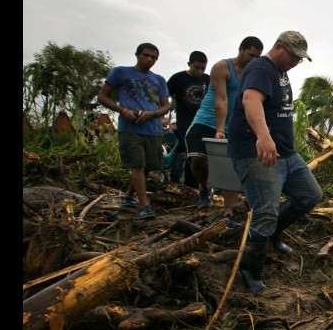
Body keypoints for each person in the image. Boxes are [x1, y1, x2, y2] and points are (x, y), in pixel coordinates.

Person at [228, 31, 322, 296]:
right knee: (265, 212)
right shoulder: (261, 67)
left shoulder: (281, 71)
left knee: (309, 195)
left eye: (300, 59)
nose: (296, 62)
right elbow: (250, 100)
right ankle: (251, 271)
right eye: (293, 56)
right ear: (279, 47)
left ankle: (271, 235)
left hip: (286, 153)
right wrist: (263, 136)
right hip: (256, 152)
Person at [187, 37, 264, 228]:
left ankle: (228, 211)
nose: (253, 60)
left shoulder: (253, 73)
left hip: (234, 125)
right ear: (241, 49)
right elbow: (221, 100)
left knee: (231, 167)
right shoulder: (222, 67)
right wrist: (220, 130)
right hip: (206, 119)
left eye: (257, 57)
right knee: (197, 159)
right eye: (251, 54)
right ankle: (204, 187)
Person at [96, 43, 171, 220]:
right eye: (146, 55)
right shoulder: (120, 72)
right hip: (130, 128)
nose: (149, 59)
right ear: (137, 55)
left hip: (152, 129)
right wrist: (123, 110)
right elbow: (102, 96)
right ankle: (144, 206)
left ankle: (128, 196)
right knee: (137, 164)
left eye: (153, 57)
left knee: (147, 166)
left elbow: (165, 105)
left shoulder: (159, 80)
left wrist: (152, 114)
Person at [166, 51, 210, 189]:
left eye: (203, 68)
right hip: (185, 122)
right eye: (196, 67)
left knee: (203, 154)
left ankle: (200, 184)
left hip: (203, 122)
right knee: (188, 152)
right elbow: (163, 96)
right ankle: (187, 183)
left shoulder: (208, 79)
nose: (200, 71)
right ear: (189, 64)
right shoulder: (178, 78)